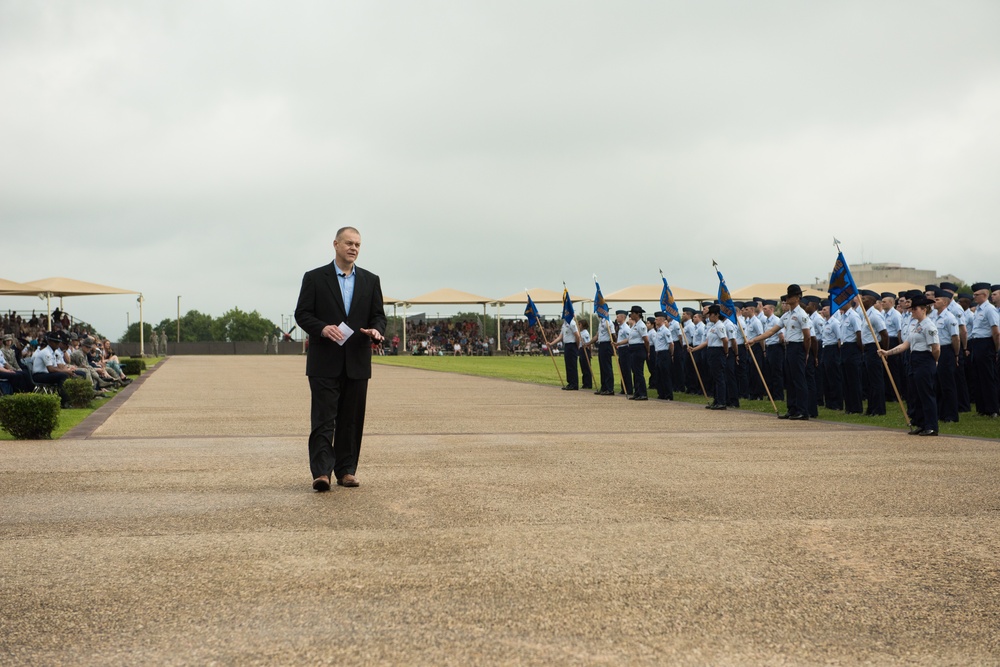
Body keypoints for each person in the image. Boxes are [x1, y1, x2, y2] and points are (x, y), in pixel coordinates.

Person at [294, 226, 386, 492]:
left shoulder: (371, 280)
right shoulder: (314, 278)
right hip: (325, 360)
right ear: (335, 244)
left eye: (357, 244)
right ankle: (321, 472)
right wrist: (322, 328)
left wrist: (377, 330)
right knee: (323, 419)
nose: (354, 248)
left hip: (357, 360)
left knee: (351, 420)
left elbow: (378, 316)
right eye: (349, 243)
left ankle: (346, 470)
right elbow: (302, 313)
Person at [880, 296, 940, 435]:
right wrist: (888, 352)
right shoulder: (917, 325)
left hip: (925, 359)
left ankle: (931, 426)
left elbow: (936, 348)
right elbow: (906, 344)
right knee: (916, 394)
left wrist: (933, 361)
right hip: (915, 359)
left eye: (915, 309)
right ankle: (921, 423)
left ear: (924, 310)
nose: (912, 312)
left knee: (926, 394)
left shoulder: (929, 325)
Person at [968, 282, 999, 417]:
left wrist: (996, 349)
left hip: (986, 344)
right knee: (977, 376)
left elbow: (996, 331)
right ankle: (982, 408)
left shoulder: (989, 309)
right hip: (977, 343)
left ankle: (992, 409)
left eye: (976, 294)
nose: (974, 297)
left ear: (985, 295)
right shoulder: (978, 309)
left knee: (987, 377)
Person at [690, 304, 728, 409]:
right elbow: (707, 342)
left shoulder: (720, 326)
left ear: (716, 315)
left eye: (710, 314)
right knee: (714, 377)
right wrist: (694, 349)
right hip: (711, 351)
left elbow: (725, 340)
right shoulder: (713, 326)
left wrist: (725, 352)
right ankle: (716, 400)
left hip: (717, 351)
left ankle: (721, 401)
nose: (709, 316)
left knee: (719, 378)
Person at [549, 314, 581, 390]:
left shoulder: (572, 323)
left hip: (572, 345)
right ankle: (570, 382)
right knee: (568, 365)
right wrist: (551, 344)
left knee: (572, 365)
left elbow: (577, 336)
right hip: (567, 345)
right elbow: (560, 337)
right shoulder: (564, 324)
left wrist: (577, 345)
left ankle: (574, 384)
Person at [625, 306, 649, 400]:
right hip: (633, 349)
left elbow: (646, 340)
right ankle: (637, 392)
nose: (631, 315)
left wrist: (647, 351)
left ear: (638, 314)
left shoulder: (641, 325)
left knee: (639, 372)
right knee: (635, 371)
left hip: (639, 349)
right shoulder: (635, 325)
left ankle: (643, 393)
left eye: (633, 313)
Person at [593, 315, 615, 396]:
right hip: (601, 344)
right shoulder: (601, 321)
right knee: (602, 367)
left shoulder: (608, 322)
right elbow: (598, 335)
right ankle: (604, 387)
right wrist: (588, 343)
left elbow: (613, 334)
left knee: (607, 367)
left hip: (607, 344)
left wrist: (614, 345)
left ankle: (610, 388)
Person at [577, 319, 593, 390]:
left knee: (586, 367)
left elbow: (588, 343)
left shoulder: (585, 333)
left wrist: (590, 352)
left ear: (583, 325)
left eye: (579, 324)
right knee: (583, 367)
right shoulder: (581, 333)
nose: (578, 326)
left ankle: (588, 383)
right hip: (581, 350)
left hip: (585, 350)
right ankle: (585, 382)